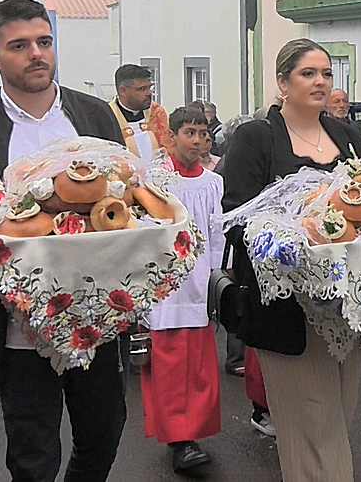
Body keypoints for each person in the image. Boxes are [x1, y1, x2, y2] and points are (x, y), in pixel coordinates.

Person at [0, 0, 125, 482]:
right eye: (19, 45)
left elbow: (128, 199)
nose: (36, 54)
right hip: (18, 329)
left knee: (103, 437)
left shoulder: (93, 116)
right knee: (33, 458)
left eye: (44, 41)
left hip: (96, 316)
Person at [222, 38, 361, 482]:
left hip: (345, 305)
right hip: (286, 309)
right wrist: (289, 241)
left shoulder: (348, 136)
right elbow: (234, 217)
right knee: (312, 425)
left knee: (339, 415)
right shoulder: (256, 137)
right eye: (308, 73)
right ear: (283, 82)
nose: (320, 81)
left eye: (326, 73)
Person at [140, 106, 223, 472]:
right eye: (189, 133)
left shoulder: (213, 182)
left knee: (199, 365)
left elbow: (217, 232)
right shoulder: (156, 180)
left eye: (203, 134)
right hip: (167, 284)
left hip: (200, 282)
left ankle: (195, 429)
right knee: (171, 363)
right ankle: (178, 438)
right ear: (172, 137)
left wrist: (217, 276)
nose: (198, 140)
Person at [108, 64, 172, 160]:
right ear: (123, 91)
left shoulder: (157, 112)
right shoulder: (108, 116)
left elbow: (169, 151)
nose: (149, 93)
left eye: (150, 87)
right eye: (142, 89)